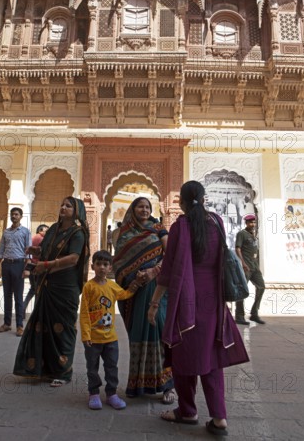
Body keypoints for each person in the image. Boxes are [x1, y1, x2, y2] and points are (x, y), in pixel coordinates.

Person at [148, 181, 249, 437]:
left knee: (184, 357)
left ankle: (188, 411)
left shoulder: (180, 227)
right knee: (212, 360)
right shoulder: (216, 221)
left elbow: (169, 272)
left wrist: (155, 302)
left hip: (187, 303)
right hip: (213, 302)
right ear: (204, 199)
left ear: (181, 201)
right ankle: (219, 418)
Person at [13, 196, 89, 386]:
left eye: (68, 206)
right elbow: (48, 250)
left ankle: (63, 372)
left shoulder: (77, 233)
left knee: (63, 329)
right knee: (43, 326)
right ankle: (44, 368)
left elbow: (72, 259)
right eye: (62, 204)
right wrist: (36, 251)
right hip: (47, 284)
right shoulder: (54, 229)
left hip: (65, 287)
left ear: (76, 211)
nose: (63, 207)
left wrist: (47, 264)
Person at [113, 197, 175, 403]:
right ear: (132, 209)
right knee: (138, 332)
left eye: (148, 207)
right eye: (140, 206)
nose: (145, 210)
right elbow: (119, 263)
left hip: (158, 288)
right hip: (135, 293)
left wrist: (153, 271)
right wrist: (135, 279)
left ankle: (168, 386)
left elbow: (171, 255)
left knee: (160, 329)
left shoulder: (158, 229)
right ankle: (139, 384)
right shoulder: (123, 234)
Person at [80, 250, 143, 410]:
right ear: (93, 266)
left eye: (105, 264)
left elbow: (125, 294)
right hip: (93, 339)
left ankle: (111, 394)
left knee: (111, 367)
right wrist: (86, 334)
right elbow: (85, 313)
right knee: (92, 368)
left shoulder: (112, 286)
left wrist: (135, 285)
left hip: (111, 338)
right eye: (99, 264)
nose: (102, 267)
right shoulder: (89, 287)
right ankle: (93, 393)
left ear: (110, 268)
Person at [0, 207, 31, 337]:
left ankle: (20, 326)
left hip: (19, 265)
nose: (13, 216)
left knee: (18, 297)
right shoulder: (6, 232)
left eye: (16, 214)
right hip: (6, 265)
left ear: (20, 216)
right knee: (7, 295)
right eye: (12, 214)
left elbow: (28, 252)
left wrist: (27, 269)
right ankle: (6, 324)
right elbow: (0, 250)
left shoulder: (25, 232)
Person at [235, 214, 266, 325]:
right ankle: (239, 316)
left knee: (261, 287)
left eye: (254, 222)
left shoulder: (254, 235)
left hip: (255, 267)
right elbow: (237, 249)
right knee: (242, 290)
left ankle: (254, 313)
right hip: (246, 266)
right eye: (250, 222)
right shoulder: (242, 234)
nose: (253, 224)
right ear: (246, 223)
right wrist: (242, 263)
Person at [23, 224, 49, 318]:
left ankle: (23, 308)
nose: (47, 232)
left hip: (31, 266)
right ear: (40, 230)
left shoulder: (33, 238)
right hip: (38, 267)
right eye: (46, 230)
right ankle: (35, 312)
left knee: (33, 289)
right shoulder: (41, 239)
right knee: (37, 289)